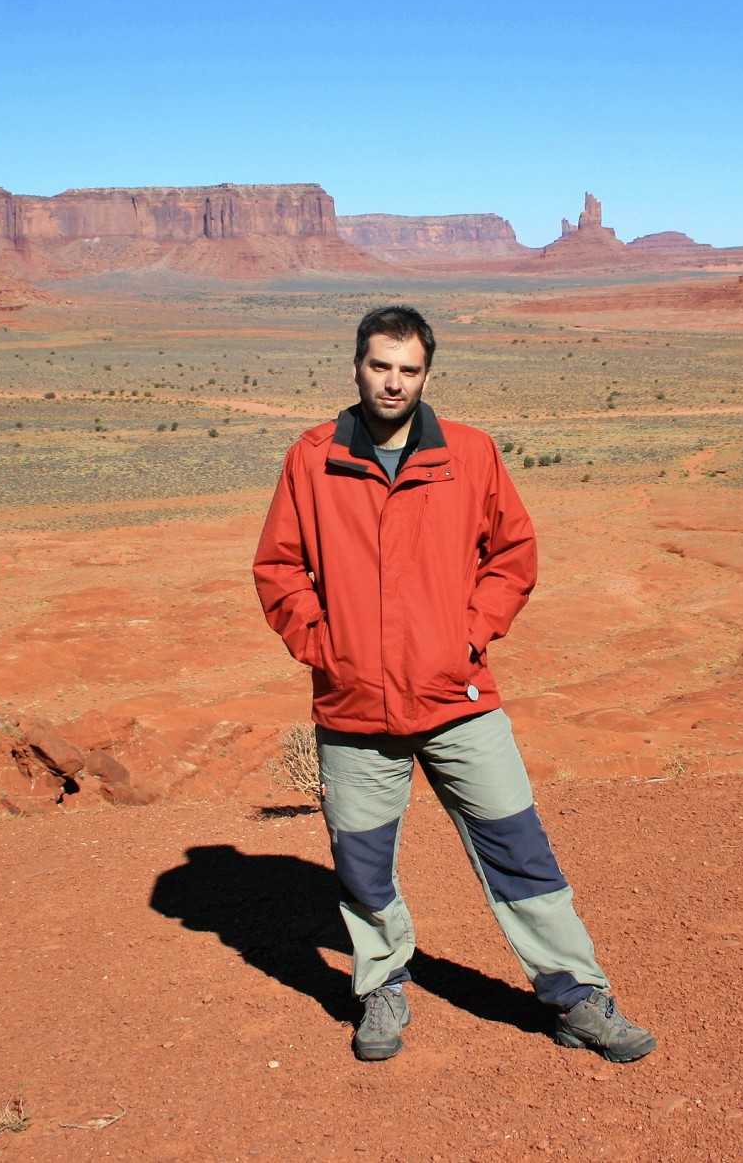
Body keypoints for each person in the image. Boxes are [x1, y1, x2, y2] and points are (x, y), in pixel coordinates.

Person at [253, 305, 656, 1064]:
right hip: (353, 707)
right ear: (357, 366)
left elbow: (514, 554)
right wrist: (326, 647)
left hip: (457, 698)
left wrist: (469, 635)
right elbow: (278, 568)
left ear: (427, 374)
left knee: (519, 847)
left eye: (408, 368)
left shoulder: (469, 454)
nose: (393, 381)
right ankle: (381, 989)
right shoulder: (314, 458)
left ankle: (577, 996)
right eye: (380, 365)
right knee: (361, 861)